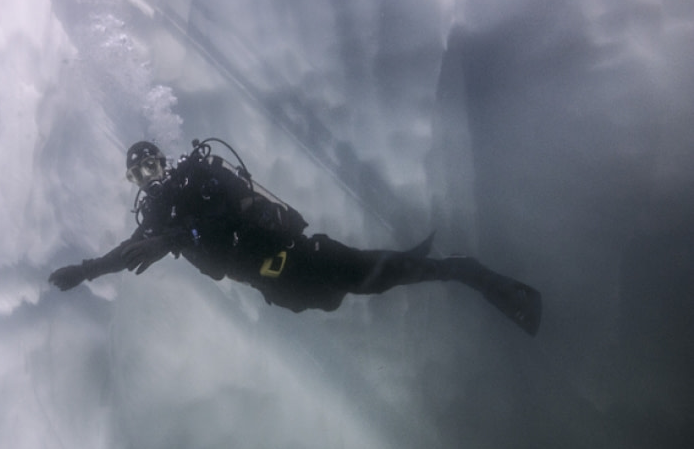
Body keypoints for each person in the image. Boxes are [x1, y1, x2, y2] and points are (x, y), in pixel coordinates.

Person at [48, 138, 542, 335]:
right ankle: (430, 266)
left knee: (370, 278)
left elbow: (226, 215)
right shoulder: (155, 217)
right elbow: (126, 252)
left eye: (152, 165)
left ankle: (468, 273)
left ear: (165, 160)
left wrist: (176, 236)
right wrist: (87, 270)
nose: (149, 178)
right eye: (139, 174)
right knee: (333, 298)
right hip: (275, 285)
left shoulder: (200, 176)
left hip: (296, 252)